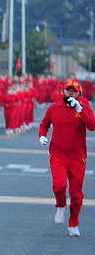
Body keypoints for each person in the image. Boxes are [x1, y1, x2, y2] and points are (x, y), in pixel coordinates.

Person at [39, 79, 95, 236]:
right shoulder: (54, 108)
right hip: (58, 155)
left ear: (79, 93)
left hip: (77, 157)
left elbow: (92, 126)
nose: (70, 93)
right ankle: (61, 205)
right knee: (59, 185)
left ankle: (73, 223)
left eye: (74, 91)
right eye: (68, 90)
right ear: (63, 91)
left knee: (76, 194)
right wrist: (42, 136)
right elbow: (44, 124)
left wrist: (80, 109)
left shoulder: (84, 106)